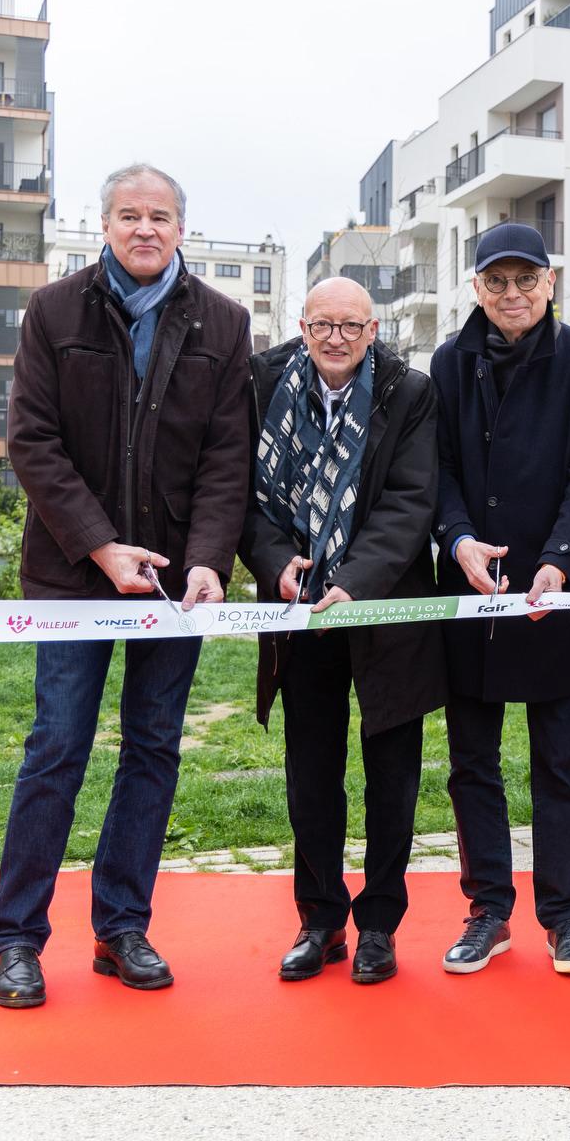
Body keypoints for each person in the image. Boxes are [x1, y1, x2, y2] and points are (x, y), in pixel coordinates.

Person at [0, 164, 252, 1009]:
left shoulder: (224, 321)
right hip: (72, 575)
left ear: (183, 228)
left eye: (162, 216)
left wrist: (210, 558)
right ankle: (18, 941)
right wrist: (102, 548)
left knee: (152, 749)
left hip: (176, 583)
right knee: (57, 747)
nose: (146, 229)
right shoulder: (54, 310)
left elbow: (226, 458)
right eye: (130, 215)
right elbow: (31, 441)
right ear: (103, 224)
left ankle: (122, 928)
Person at [241, 278, 445, 985]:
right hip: (303, 614)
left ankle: (380, 925)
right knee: (312, 774)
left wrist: (351, 581)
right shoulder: (263, 383)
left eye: (350, 326)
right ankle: (320, 918)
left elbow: (411, 501)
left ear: (373, 330)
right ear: (301, 325)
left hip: (383, 607)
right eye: (323, 324)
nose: (335, 337)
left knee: (393, 776)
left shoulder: (409, 392)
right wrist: (277, 565)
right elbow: (246, 496)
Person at [430, 222, 570, 977]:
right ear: (476, 288)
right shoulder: (448, 363)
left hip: (555, 590)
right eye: (496, 282)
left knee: (559, 760)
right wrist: (458, 539)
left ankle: (566, 916)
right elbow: (436, 469)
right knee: (472, 760)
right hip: (470, 587)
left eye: (526, 280)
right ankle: (487, 910)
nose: (512, 294)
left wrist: (561, 564)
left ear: (550, 284)